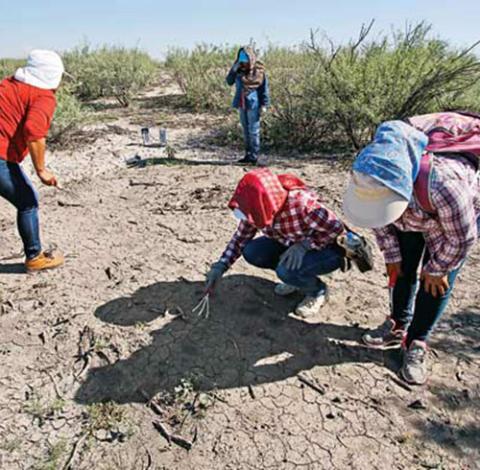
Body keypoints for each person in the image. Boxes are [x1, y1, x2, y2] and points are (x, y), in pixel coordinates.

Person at [343, 118, 480, 385]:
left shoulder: (446, 186)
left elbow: (462, 239)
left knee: (435, 284)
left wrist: (438, 268)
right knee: (402, 269)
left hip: (449, 226)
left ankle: (417, 340)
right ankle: (397, 323)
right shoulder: (368, 174)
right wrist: (392, 256)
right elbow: (376, 218)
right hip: (413, 214)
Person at [206, 168, 372, 318]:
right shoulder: (257, 206)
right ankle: (296, 279)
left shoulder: (301, 203)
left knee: (285, 271)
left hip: (327, 250)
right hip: (291, 242)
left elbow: (337, 231)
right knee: (252, 251)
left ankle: (317, 291)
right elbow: (241, 237)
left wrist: (304, 246)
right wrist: (221, 265)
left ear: (263, 202)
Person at [0, 50, 65, 272]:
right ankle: (35, 256)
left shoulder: (8, 85)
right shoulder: (43, 96)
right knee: (27, 201)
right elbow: (34, 132)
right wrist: (41, 170)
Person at [226, 46, 270, 165]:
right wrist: (233, 69)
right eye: (241, 58)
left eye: (245, 58)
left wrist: (264, 104)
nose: (243, 62)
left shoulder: (259, 71)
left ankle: (254, 156)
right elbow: (229, 81)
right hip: (241, 103)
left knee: (253, 130)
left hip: (253, 103)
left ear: (251, 58)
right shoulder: (238, 69)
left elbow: (264, 88)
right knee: (245, 130)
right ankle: (247, 155)